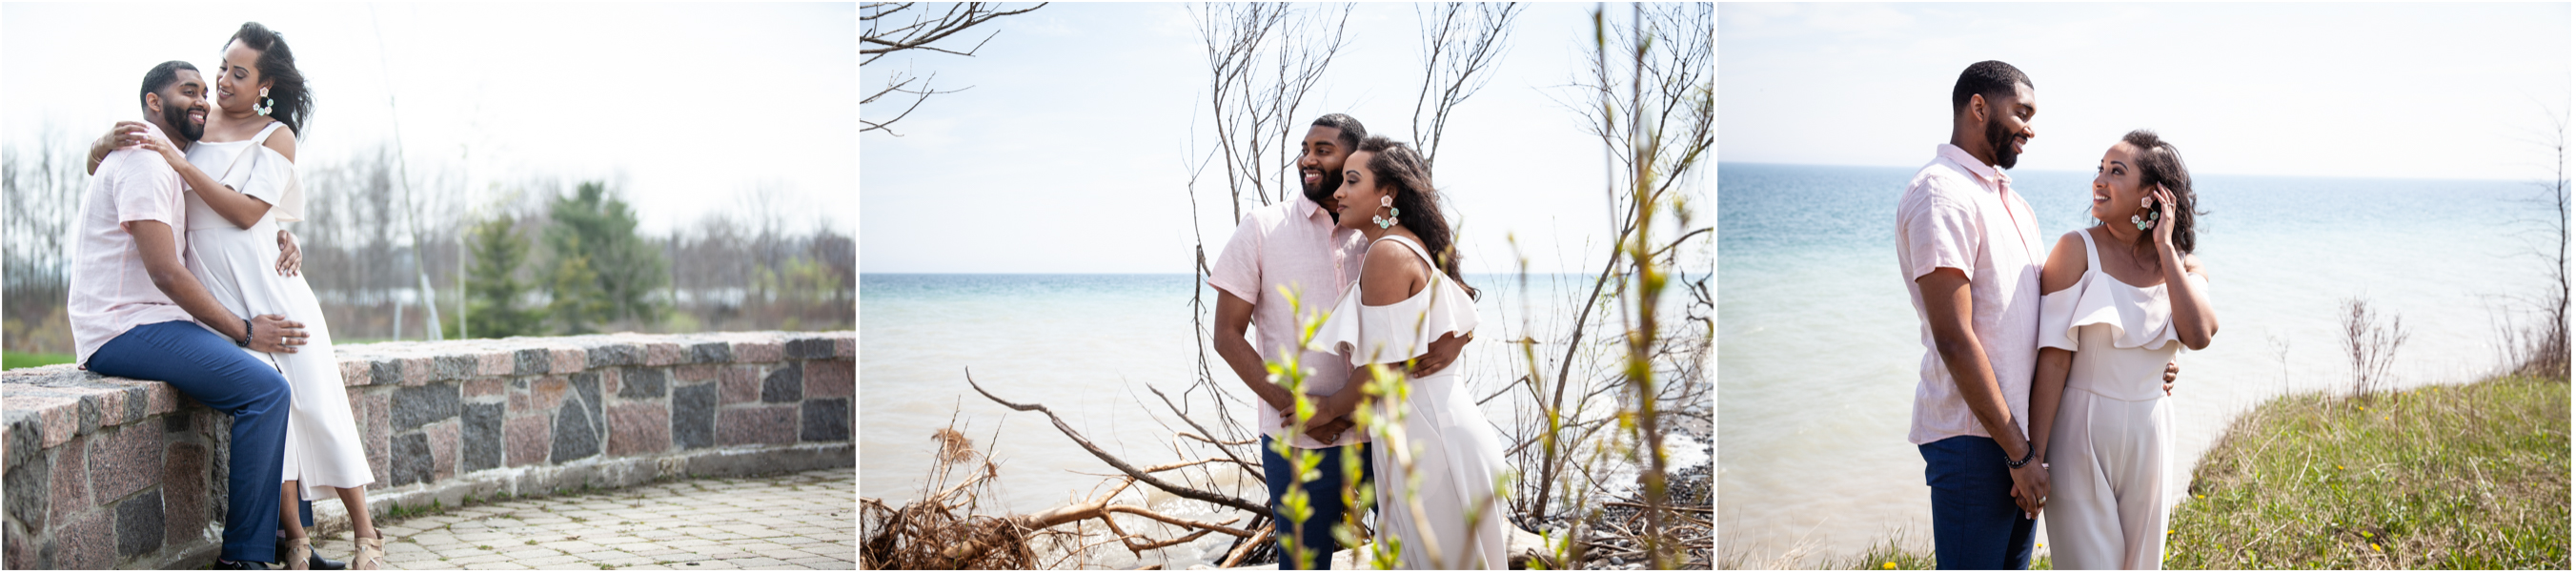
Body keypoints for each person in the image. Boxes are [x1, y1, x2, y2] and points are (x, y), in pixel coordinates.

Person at [89, 23, 385, 570]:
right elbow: (116, 165)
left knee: (317, 403)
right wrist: (105, 141)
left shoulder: (272, 134)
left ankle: (366, 533)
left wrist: (282, 233)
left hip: (267, 284)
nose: (219, 83)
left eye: (236, 74)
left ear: (265, 84)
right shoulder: (192, 131)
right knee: (276, 410)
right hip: (217, 294)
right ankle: (290, 540)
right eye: (219, 68)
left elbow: (251, 211)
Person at [1895, 60, 2180, 570]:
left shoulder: (2012, 203)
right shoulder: (1942, 193)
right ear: (1979, 108)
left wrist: (2137, 364)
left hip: (2021, 441)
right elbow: (1955, 338)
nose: (2030, 127)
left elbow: (2047, 327)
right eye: (2021, 112)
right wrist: (2019, 455)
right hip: (1975, 440)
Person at [71, 59, 309, 570]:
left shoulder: (168, 161)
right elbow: (167, 274)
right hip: (123, 327)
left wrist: (281, 237)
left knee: (276, 376)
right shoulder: (143, 162)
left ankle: (288, 541)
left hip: (155, 322)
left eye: (206, 90)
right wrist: (246, 331)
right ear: (153, 103)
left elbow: (229, 213)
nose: (203, 98)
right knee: (266, 391)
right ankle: (245, 558)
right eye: (189, 90)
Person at [1208, 114, 1470, 569]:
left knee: (1411, 556)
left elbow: (1445, 292)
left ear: (1354, 162)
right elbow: (1227, 336)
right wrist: (1298, 407)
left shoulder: (1380, 232)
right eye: (1304, 149)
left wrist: (1460, 338)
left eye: (1323, 150)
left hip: (1388, 433)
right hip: (1303, 442)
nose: (1307, 159)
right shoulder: (1261, 228)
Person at [1304, 135, 1507, 569]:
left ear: (1388, 193)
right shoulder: (1401, 245)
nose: (1338, 191)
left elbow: (1380, 370)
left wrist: (1324, 409)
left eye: (1352, 181)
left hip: (1434, 445)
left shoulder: (1388, 254)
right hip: (1429, 435)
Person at [2027, 131, 2217, 570]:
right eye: (2100, 169)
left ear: (2153, 195)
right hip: (2079, 435)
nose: (2100, 180)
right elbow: (2053, 359)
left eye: (2117, 171)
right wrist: (2033, 457)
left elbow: (2199, 334)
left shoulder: (2185, 265)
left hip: (2152, 431)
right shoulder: (2077, 248)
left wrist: (2165, 248)